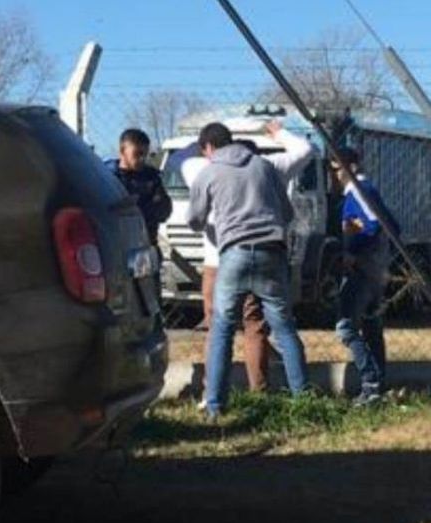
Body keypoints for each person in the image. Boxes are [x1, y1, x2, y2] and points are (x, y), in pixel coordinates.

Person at [178, 121, 313, 404]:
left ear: (209, 148)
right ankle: (304, 400)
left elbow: (194, 220)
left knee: (222, 329)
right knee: (283, 328)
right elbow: (286, 212)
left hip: (232, 254)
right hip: (271, 252)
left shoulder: (208, 170)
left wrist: (215, 226)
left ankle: (215, 404)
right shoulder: (264, 166)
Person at [331, 148, 398, 406]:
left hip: (363, 269)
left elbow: (374, 225)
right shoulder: (367, 190)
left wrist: (353, 251)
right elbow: (393, 225)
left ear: (351, 167)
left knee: (345, 327)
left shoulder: (358, 192)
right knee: (371, 325)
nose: (334, 176)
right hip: (376, 269)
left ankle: (370, 383)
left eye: (336, 169)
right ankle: (377, 384)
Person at [105, 128, 172, 244]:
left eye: (145, 154)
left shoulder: (151, 177)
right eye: (137, 154)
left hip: (146, 240)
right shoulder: (108, 177)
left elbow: (164, 210)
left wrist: (140, 209)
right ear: (122, 151)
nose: (142, 159)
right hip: (116, 241)